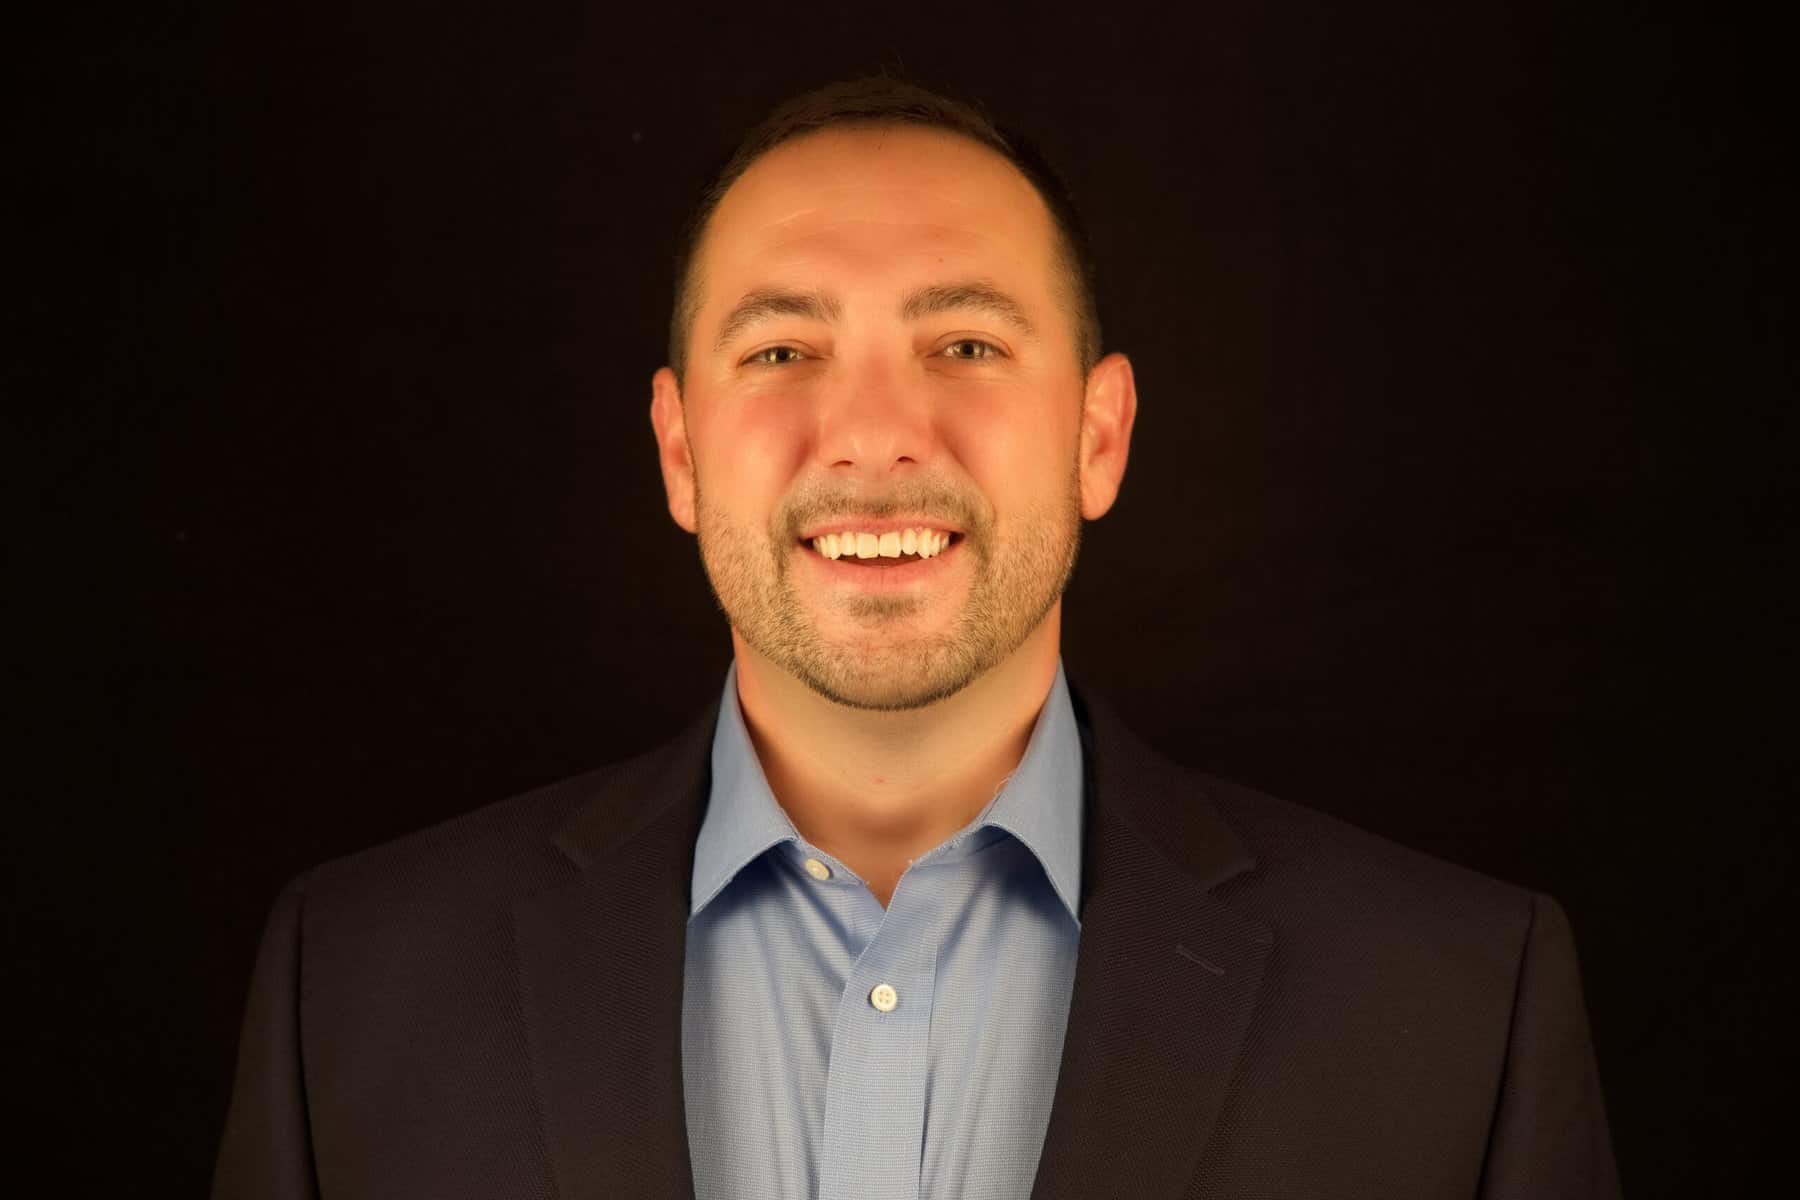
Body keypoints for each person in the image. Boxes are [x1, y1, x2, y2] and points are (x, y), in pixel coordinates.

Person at [213, 77, 1620, 1199]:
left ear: (1100, 434)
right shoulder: (350, 993)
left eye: (964, 343)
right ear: (679, 449)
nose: (877, 431)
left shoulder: (1454, 1017)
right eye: (780, 349)